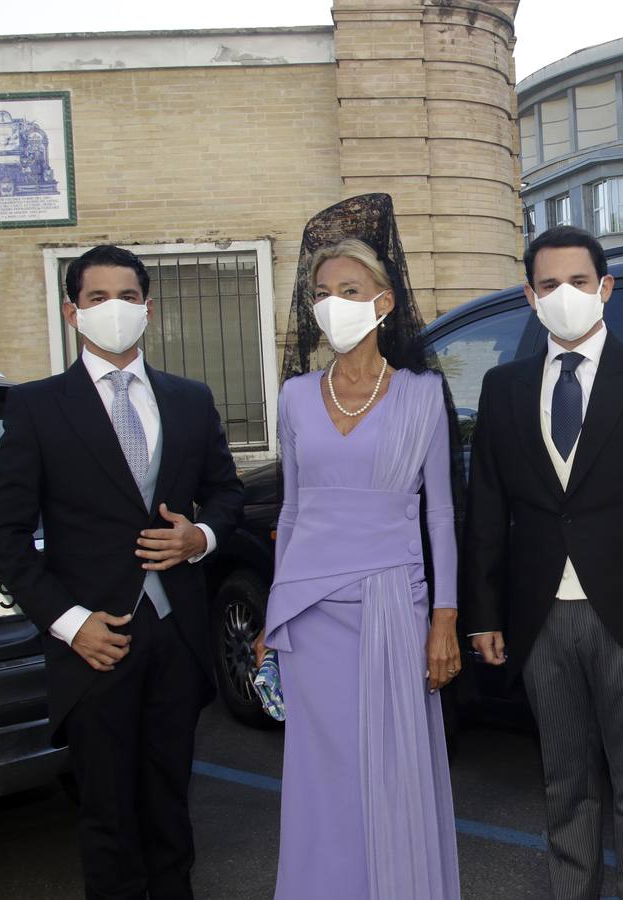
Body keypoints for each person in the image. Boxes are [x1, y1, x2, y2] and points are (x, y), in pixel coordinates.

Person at [0, 245, 244, 900]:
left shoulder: (188, 399)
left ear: (148, 308)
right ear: (72, 312)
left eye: (127, 297)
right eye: (97, 299)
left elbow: (226, 493)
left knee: (170, 809)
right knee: (108, 820)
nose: (114, 310)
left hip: (177, 639)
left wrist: (200, 536)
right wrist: (70, 625)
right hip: (95, 645)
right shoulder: (38, 407)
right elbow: (3, 535)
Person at [462, 225, 623, 900]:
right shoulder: (503, 386)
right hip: (539, 617)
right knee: (563, 782)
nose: (564, 295)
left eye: (578, 281)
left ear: (606, 288)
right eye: (549, 284)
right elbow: (486, 510)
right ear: (529, 295)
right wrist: (483, 613)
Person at [257, 194, 463, 900]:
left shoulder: (421, 395)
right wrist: (270, 617)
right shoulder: (291, 398)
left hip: (390, 607)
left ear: (381, 303)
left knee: (391, 770)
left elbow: (440, 514)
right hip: (308, 617)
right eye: (321, 294)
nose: (332, 304)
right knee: (321, 776)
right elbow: (288, 510)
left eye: (348, 291)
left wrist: (444, 619)